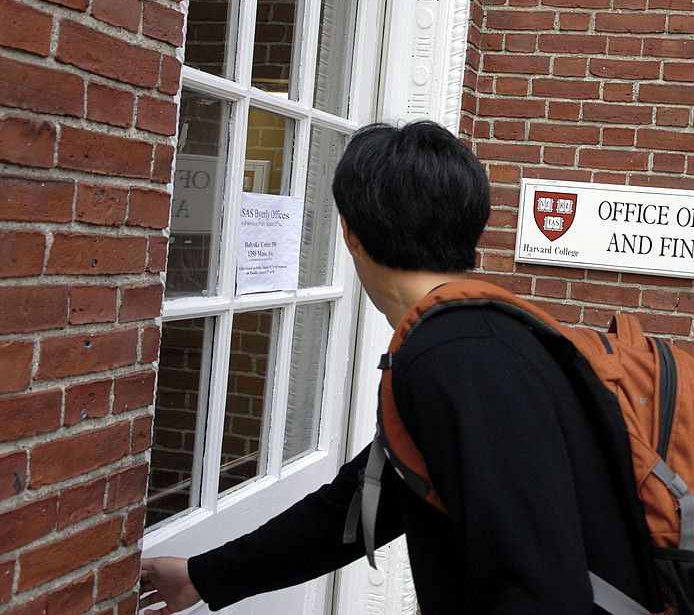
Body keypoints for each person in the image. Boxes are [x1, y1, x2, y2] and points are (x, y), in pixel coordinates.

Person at [140, 120, 659, 614]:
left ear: (352, 235)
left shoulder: (454, 357)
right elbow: (359, 505)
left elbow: (540, 591)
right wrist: (204, 576)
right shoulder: (478, 336)